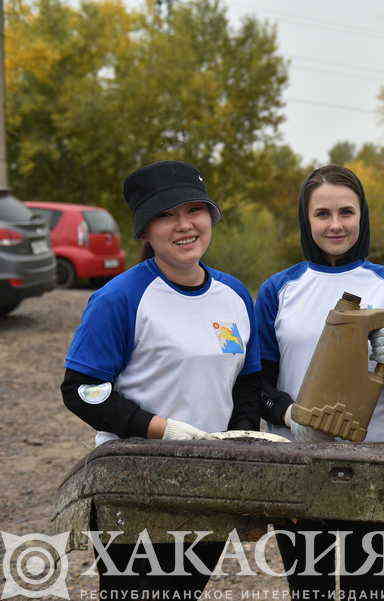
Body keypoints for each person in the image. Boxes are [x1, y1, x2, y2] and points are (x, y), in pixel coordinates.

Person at [61, 160, 261, 595]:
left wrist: (241, 444)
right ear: (145, 232)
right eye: (166, 215)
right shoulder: (120, 297)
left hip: (209, 481)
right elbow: (81, 390)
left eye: (195, 210)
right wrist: (158, 428)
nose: (184, 225)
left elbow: (248, 381)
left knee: (186, 590)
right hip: (133, 483)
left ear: (211, 217)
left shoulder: (234, 295)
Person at [254, 164, 384, 598]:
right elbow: (257, 382)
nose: (336, 225)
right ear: (306, 219)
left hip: (375, 457)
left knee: (367, 588)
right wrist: (287, 414)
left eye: (346, 212)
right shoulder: (279, 289)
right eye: (322, 214)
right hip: (299, 461)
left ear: (363, 215)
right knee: (309, 588)